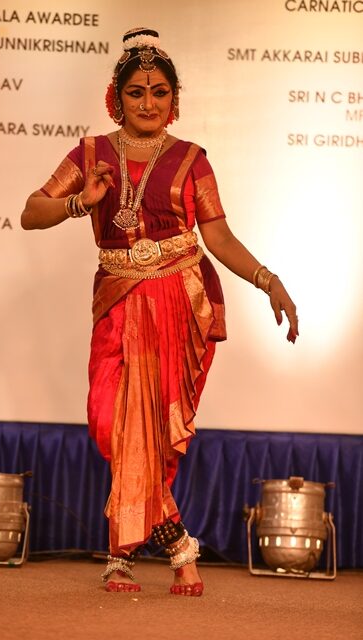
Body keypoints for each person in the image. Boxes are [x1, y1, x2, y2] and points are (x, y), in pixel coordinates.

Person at [21, 27, 298, 597]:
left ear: (174, 98)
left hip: (177, 300)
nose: (148, 103)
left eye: (159, 92)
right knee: (110, 421)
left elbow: (218, 236)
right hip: (117, 300)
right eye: (136, 92)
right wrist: (79, 203)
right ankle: (177, 543)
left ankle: (121, 554)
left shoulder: (192, 159)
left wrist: (269, 282)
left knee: (150, 428)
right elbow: (31, 212)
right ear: (115, 97)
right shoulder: (91, 155)